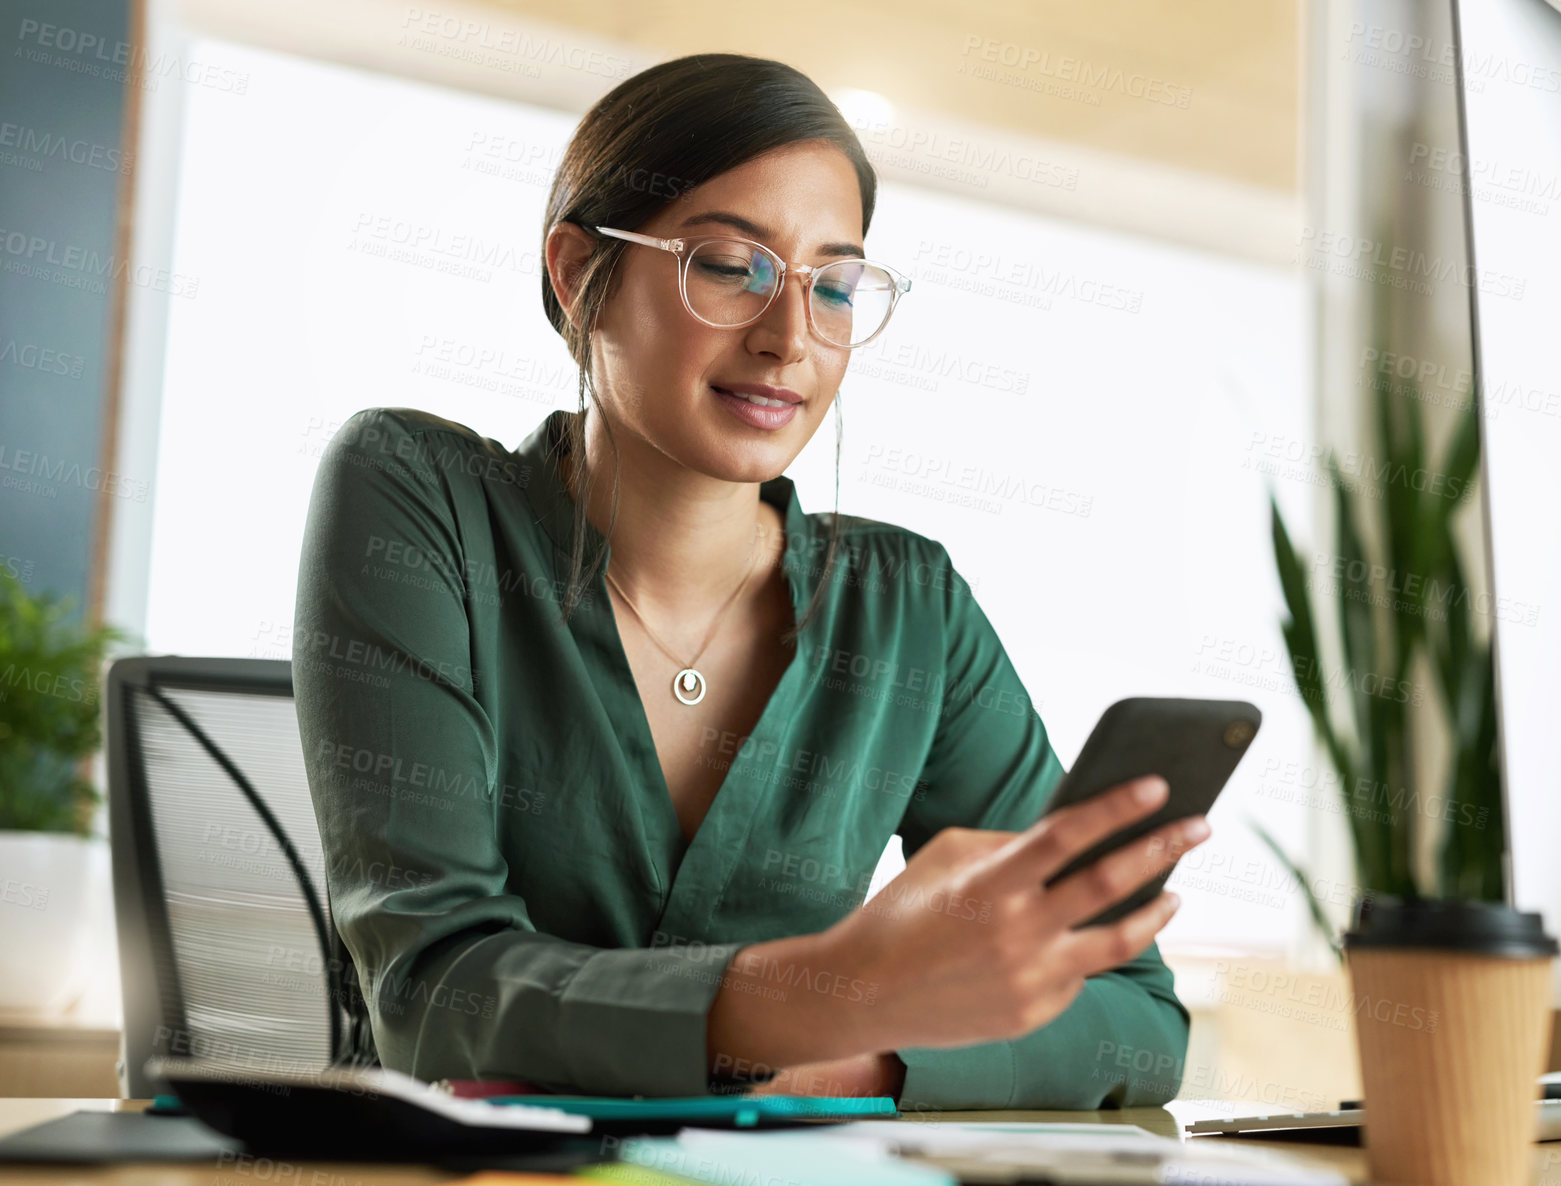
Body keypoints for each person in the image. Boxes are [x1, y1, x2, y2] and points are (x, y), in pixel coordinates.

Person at [293, 51, 1208, 1111]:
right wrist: (829, 993)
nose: (788, 340)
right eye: (730, 266)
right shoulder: (420, 496)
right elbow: (431, 994)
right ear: (574, 270)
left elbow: (1135, 1022)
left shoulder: (906, 607)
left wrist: (843, 1058)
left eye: (831, 284)